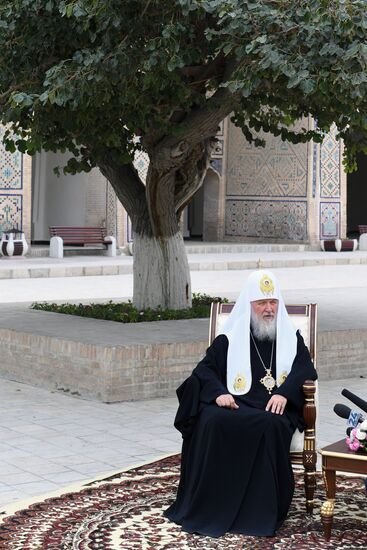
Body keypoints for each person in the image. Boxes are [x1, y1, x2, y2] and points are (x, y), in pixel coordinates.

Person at [164, 270, 317, 538]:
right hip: (238, 404)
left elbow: (305, 368)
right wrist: (217, 393)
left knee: (270, 424)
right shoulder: (232, 336)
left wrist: (284, 393)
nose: (269, 309)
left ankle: (258, 511)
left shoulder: (291, 337)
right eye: (262, 303)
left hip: (273, 407)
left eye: (273, 302)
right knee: (211, 419)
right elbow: (204, 370)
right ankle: (213, 503)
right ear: (249, 304)